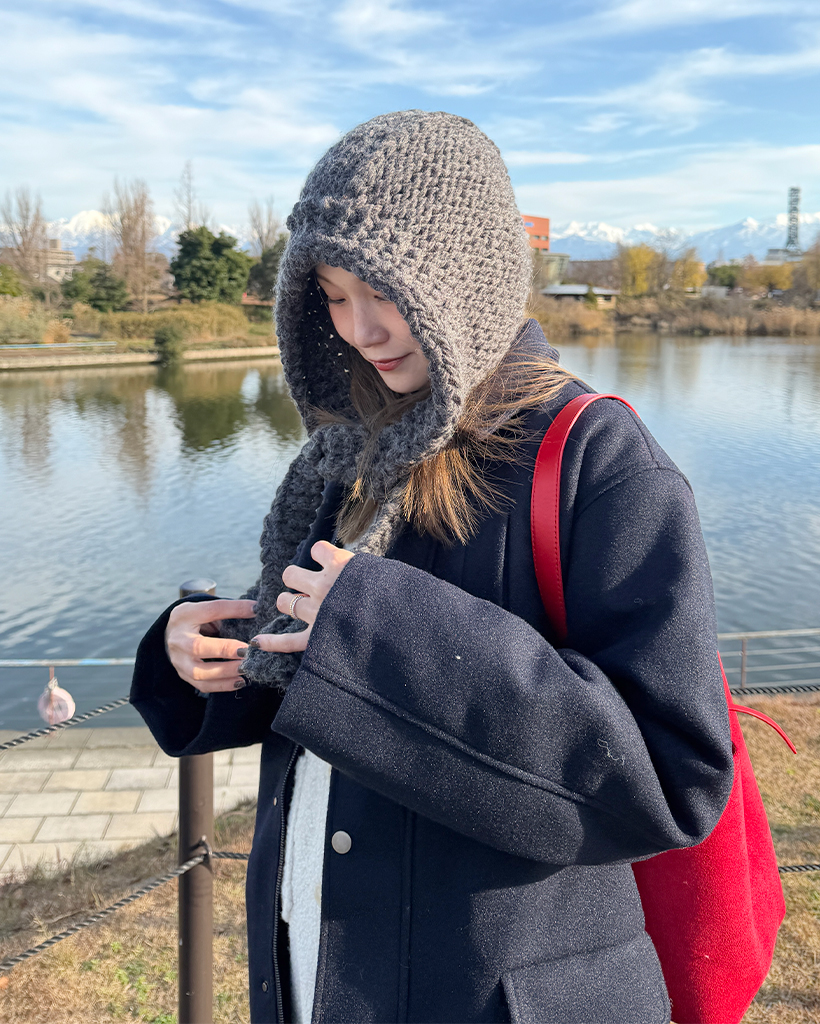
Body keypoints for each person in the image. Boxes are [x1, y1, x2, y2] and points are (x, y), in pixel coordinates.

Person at [131, 110, 733, 1024]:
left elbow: (670, 779)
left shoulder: (598, 458)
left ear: (463, 272)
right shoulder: (355, 450)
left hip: (494, 995)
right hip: (312, 976)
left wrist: (372, 630)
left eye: (383, 288)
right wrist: (215, 653)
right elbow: (320, 664)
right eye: (332, 294)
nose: (361, 328)